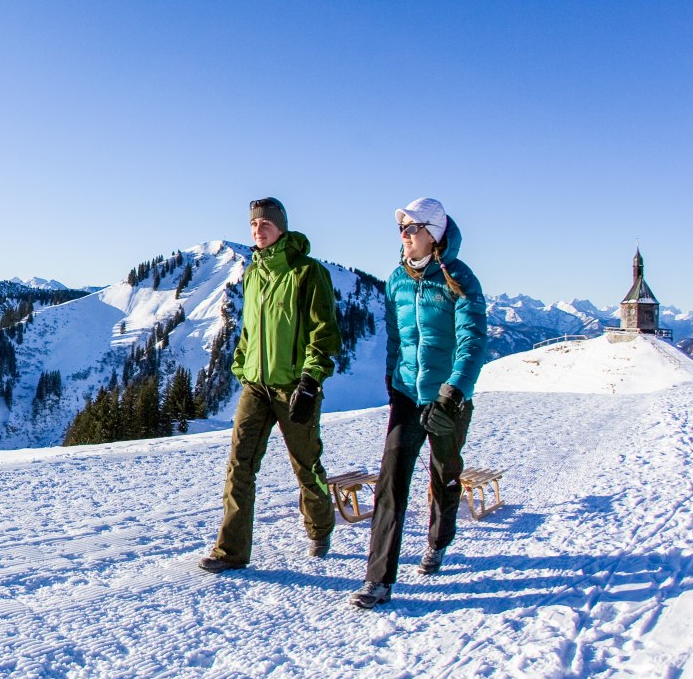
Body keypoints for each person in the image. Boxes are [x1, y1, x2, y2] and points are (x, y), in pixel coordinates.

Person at [350, 197, 487, 609]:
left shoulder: (460, 278)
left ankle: (440, 539)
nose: (405, 236)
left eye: (412, 229)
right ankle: (378, 580)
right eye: (402, 230)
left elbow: (473, 341)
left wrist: (454, 391)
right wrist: (393, 382)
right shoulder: (396, 280)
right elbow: (395, 338)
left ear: (435, 234)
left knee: (445, 473)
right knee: (391, 481)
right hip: (408, 395)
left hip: (448, 397)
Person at [201, 197, 342, 573]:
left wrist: (311, 380)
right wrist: (241, 364)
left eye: (265, 224)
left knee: (305, 464)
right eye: (253, 225)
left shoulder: (306, 272)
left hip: (295, 386)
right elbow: (249, 328)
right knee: (239, 465)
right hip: (256, 386)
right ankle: (230, 551)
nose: (257, 230)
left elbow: (323, 332)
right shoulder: (253, 273)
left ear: (281, 227)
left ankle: (320, 528)